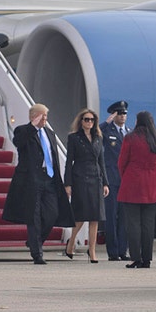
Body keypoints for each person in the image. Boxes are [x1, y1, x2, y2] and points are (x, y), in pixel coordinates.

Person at [2, 104, 74, 265]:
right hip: (31, 180)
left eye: (46, 117)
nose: (45, 120)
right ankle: (37, 254)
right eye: (42, 116)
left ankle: (34, 241)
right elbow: (18, 142)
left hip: (49, 178)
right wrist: (32, 127)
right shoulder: (23, 131)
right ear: (34, 116)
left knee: (52, 214)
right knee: (33, 217)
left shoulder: (49, 133)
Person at [117, 111, 156, 269]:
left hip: (132, 185)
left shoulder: (130, 138)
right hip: (152, 186)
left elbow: (122, 162)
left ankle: (135, 257)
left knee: (133, 224)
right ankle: (147, 259)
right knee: (148, 225)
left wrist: (127, 177)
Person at [64, 108, 109, 263]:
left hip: (96, 178)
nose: (89, 122)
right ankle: (71, 242)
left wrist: (105, 183)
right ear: (81, 121)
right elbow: (69, 162)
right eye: (86, 119)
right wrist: (68, 183)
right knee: (81, 216)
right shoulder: (74, 138)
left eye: (91, 120)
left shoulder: (98, 138)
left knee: (95, 217)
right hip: (80, 178)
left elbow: (101, 161)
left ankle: (92, 250)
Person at [99, 100, 130, 261]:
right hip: (111, 180)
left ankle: (122, 250)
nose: (123, 116)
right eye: (119, 113)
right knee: (111, 216)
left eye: (124, 113)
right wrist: (107, 122)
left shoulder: (129, 132)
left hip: (126, 181)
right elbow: (95, 133)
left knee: (124, 217)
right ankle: (112, 252)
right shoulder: (108, 130)